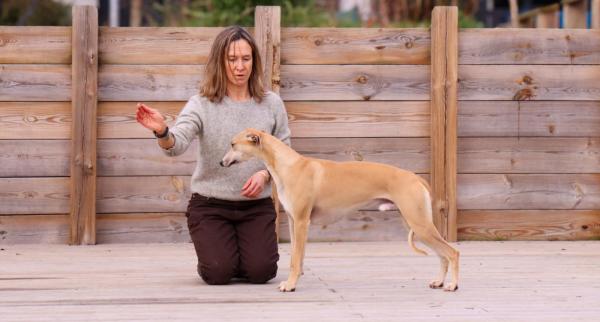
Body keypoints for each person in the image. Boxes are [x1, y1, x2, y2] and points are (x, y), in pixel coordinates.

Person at [135, 26, 291, 285]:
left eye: (246, 58)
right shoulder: (201, 103)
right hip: (210, 206)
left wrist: (264, 175)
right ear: (220, 61)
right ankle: (219, 254)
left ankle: (239, 255)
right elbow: (177, 144)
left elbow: (285, 152)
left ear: (254, 61)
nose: (239, 66)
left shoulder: (272, 103)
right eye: (232, 59)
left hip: (255, 207)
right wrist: (163, 131)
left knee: (262, 272)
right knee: (218, 273)